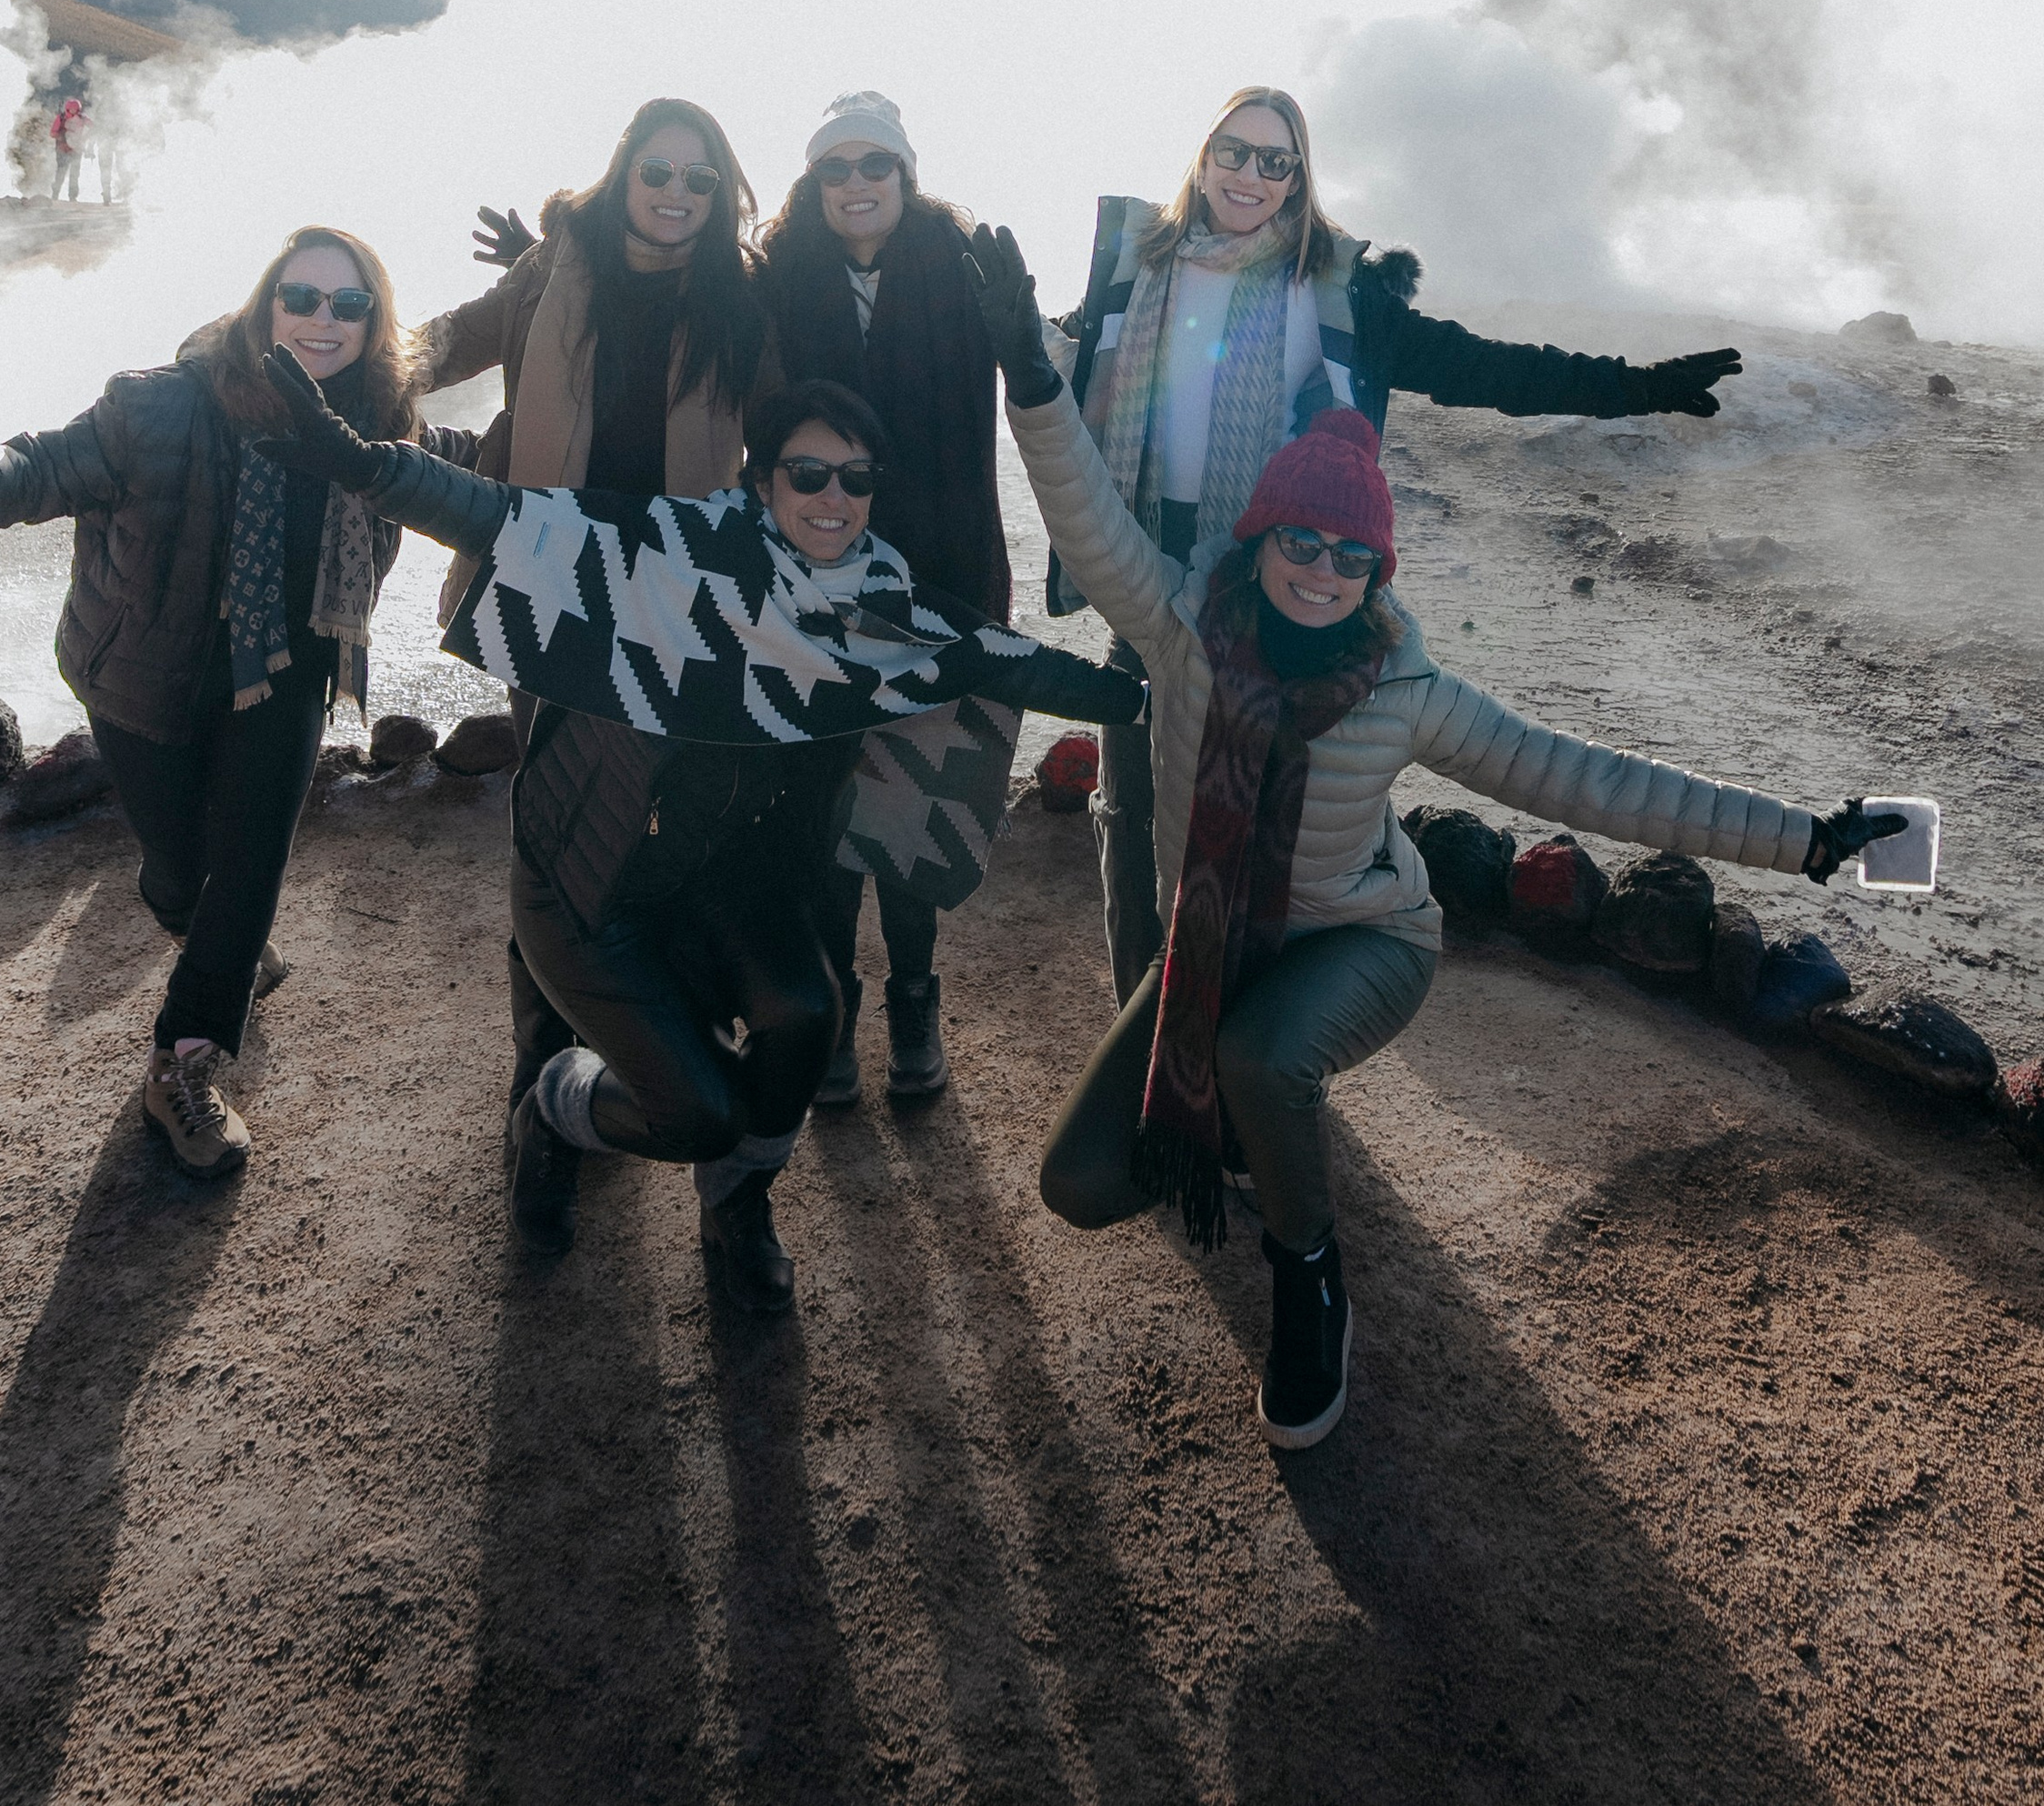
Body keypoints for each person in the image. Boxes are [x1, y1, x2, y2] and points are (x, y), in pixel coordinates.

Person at [965, 222, 1902, 1450]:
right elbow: (1085, 511)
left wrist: (1811, 840)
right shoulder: (1183, 625)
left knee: (1258, 1059)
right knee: (1082, 1183)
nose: (1322, 567)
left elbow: (1599, 784)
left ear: (1378, 570)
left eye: (1353, 554)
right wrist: (1031, 379)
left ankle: (1310, 1277)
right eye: (1300, 539)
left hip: (1367, 941)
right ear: (1260, 540)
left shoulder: (1407, 689)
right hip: (1220, 939)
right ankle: (1247, 1126)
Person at [258, 353, 1144, 1313]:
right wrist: (359, 463)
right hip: (587, 883)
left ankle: (736, 1206)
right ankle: (556, 1107)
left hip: (724, 888)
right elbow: (494, 517)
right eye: (807, 473)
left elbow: (1014, 665)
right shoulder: (663, 554)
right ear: (762, 482)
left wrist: (1158, 692)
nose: (833, 497)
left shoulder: (882, 614)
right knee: (697, 1110)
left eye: (856, 479)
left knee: (807, 1020)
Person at [1058, 87, 1745, 1003]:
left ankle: (1240, 1045)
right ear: (1201, 156)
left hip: (1279, 606)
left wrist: (1640, 386)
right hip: (1146, 594)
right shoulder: (1135, 275)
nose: (1250, 175)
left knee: (1273, 836)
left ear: (1301, 178)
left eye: (1276, 160)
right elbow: (1054, 385)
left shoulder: (1343, 300)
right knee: (1132, 815)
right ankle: (1141, 1042)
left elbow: (1489, 370)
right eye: (1234, 151)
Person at [0, 226, 466, 1182]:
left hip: (288, 675)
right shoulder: (160, 406)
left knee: (252, 865)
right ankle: (199, 922)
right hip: (148, 675)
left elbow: (465, 464)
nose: (321, 320)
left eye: (349, 306)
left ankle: (182, 1065)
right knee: (180, 871)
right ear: (265, 303)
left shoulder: (380, 423)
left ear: (373, 324)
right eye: (300, 297)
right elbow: (35, 465)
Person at [414, 98, 775, 1219]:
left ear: (722, 197)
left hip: (673, 597)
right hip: (546, 586)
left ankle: (626, 1055)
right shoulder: (551, 260)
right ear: (623, 173)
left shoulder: (739, 297)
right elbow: (445, 343)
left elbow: (792, 422)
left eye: (698, 178)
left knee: (656, 832)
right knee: (557, 825)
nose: (675, 192)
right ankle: (543, 1094)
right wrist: (322, 357)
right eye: (656, 169)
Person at [762, 91, 1012, 1107]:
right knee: (822, 806)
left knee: (916, 805)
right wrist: (559, 251)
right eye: (836, 168)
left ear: (906, 177)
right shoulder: (775, 278)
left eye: (876, 165)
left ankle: (915, 996)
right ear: (814, 184)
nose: (857, 183)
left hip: (945, 574)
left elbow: (1056, 366)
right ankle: (833, 1009)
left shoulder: (961, 271)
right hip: (811, 574)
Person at [49, 92, 90, 200]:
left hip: (77, 149)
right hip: (63, 149)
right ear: (67, 109)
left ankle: (72, 196)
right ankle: (55, 194)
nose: (73, 111)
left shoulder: (82, 118)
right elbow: (53, 132)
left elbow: (93, 127)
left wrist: (84, 137)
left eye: (75, 109)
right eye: (71, 109)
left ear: (79, 109)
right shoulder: (61, 118)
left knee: (75, 174)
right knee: (61, 172)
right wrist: (63, 138)